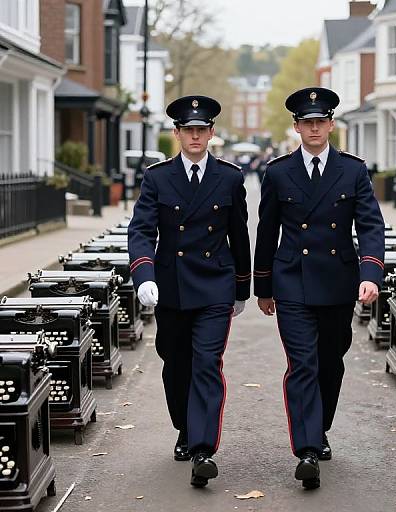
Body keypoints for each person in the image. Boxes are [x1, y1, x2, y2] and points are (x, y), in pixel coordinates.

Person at [253, 87, 385, 489]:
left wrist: (370, 273)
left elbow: (370, 225)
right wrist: (263, 287)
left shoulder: (353, 170)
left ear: (331, 124)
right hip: (292, 280)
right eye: (306, 122)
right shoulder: (277, 172)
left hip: (337, 281)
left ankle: (320, 427)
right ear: (296, 126)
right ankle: (307, 448)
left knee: (330, 362)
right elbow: (267, 230)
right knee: (303, 364)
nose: (313, 127)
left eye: (320, 121)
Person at [128, 95, 251, 487]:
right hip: (172, 286)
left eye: (202, 130)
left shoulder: (230, 177)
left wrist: (242, 288)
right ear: (177, 133)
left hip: (215, 283)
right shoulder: (158, 177)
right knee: (175, 363)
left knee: (206, 364)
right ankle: (185, 426)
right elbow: (142, 229)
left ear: (211, 133)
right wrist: (143, 274)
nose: (195, 136)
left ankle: (202, 448)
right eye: (188, 130)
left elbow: (239, 234)